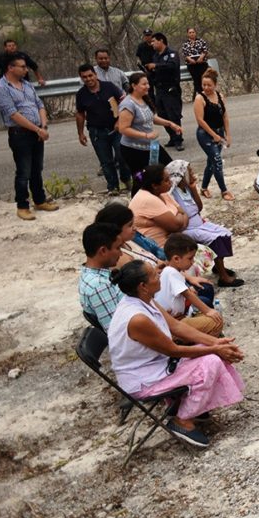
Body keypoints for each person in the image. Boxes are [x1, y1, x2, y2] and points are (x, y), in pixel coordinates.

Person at [106, 260, 244, 448]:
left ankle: (193, 405)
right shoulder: (137, 318)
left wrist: (215, 341)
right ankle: (182, 420)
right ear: (143, 286)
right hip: (145, 380)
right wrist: (214, 349)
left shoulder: (144, 299)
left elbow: (176, 326)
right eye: (154, 275)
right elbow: (174, 350)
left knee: (211, 352)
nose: (159, 276)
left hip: (156, 365)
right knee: (211, 361)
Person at [0, 56, 57, 220]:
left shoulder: (27, 84)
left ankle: (39, 200)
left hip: (37, 132)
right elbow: (12, 113)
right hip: (20, 134)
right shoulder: (1, 87)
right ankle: (22, 206)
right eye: (22, 67)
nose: (26, 70)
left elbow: (39, 105)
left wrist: (43, 126)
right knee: (24, 171)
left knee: (37, 168)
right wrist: (37, 129)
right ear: (10, 68)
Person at [166, 159, 243, 287]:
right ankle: (223, 278)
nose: (192, 173)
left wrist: (193, 188)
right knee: (215, 239)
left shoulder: (186, 189)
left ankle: (219, 267)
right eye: (189, 171)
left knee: (224, 233)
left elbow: (199, 207)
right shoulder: (172, 193)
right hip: (187, 228)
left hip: (198, 223)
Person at [75, 63, 130, 194]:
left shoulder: (109, 87)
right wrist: (80, 133)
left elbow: (124, 102)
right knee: (106, 162)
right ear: (81, 78)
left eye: (90, 75)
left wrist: (119, 120)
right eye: (84, 77)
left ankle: (127, 180)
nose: (88, 79)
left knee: (123, 156)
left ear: (95, 74)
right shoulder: (81, 94)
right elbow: (80, 114)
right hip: (97, 132)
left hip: (116, 129)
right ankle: (113, 187)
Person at [117, 72, 178, 184]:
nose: (148, 86)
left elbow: (151, 117)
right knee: (140, 179)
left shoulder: (144, 98)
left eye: (148, 83)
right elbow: (123, 129)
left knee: (170, 168)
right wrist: (145, 135)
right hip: (133, 149)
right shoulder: (128, 104)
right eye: (144, 84)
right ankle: (139, 199)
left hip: (151, 145)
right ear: (134, 86)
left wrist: (169, 124)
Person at [158, 233, 225, 335]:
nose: (193, 262)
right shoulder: (171, 272)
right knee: (215, 322)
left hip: (178, 317)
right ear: (176, 259)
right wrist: (208, 311)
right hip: (172, 322)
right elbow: (187, 294)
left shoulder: (172, 271)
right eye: (190, 258)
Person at [193, 69, 233, 200]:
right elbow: (200, 120)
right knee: (217, 161)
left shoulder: (219, 96)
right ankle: (224, 190)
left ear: (215, 85)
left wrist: (227, 134)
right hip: (205, 134)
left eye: (209, 85)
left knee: (211, 162)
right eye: (203, 85)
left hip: (219, 131)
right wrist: (213, 135)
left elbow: (225, 116)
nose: (206, 87)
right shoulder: (200, 98)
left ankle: (204, 187)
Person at [79, 221, 126, 331]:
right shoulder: (99, 286)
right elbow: (118, 331)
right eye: (118, 248)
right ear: (103, 251)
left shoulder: (92, 276)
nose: (121, 254)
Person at [145, 32, 184, 150]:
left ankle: (178, 140)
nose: (152, 44)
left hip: (171, 89)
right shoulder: (156, 56)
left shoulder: (172, 54)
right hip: (160, 89)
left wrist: (156, 66)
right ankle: (172, 137)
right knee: (162, 115)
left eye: (154, 41)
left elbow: (172, 66)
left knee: (173, 115)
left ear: (161, 41)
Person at [181, 28, 209, 102]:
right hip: (192, 65)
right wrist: (190, 60)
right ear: (187, 34)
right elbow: (185, 54)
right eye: (190, 32)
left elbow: (205, 51)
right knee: (196, 80)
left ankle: (207, 94)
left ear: (195, 33)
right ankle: (200, 96)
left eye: (193, 32)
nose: (192, 34)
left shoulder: (201, 41)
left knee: (204, 79)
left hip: (202, 63)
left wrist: (201, 58)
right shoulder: (185, 44)